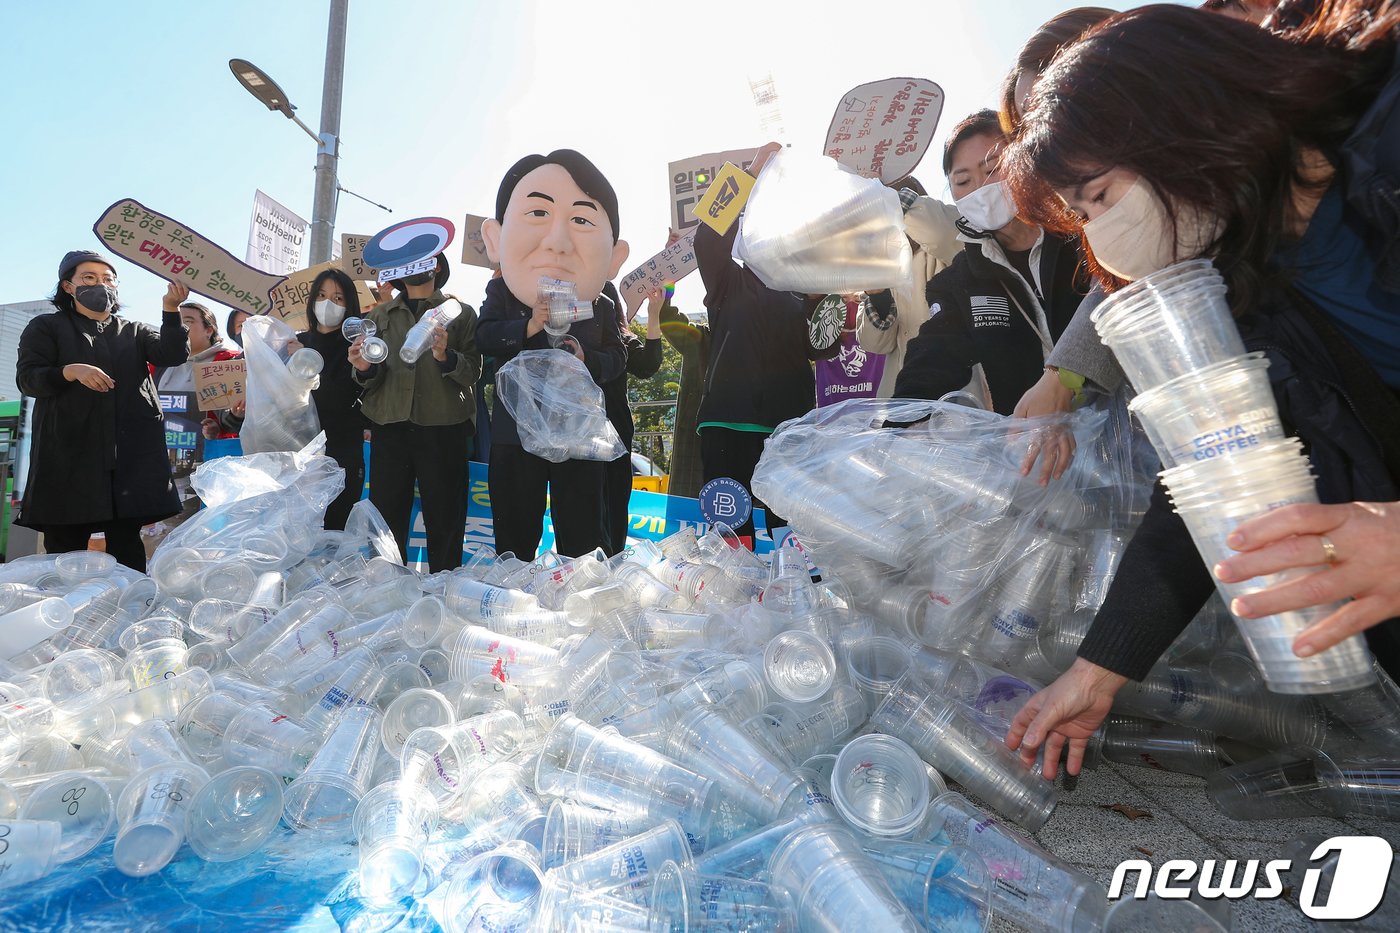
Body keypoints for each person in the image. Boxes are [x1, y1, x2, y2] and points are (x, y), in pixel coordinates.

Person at [997, 2, 1400, 776]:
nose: (1100, 241)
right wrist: (1099, 669)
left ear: (1178, 123)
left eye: (1101, 198)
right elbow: (1212, 484)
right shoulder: (1244, 285)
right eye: (1080, 220)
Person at [478, 149, 630, 560]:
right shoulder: (504, 293)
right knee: (514, 535)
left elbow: (618, 358)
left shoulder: (600, 303)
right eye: (537, 214)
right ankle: (514, 611)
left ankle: (581, 610)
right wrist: (528, 326)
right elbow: (484, 337)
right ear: (496, 238)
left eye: (581, 220)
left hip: (579, 434)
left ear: (614, 255)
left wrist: (586, 358)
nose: (558, 241)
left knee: (583, 537)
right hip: (516, 434)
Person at [893, 110, 1087, 419]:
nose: (981, 188)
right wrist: (899, 420)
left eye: (993, 168)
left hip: (1130, 424)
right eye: (963, 180)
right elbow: (934, 354)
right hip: (1034, 450)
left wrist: (1066, 376)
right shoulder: (960, 279)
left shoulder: (1082, 236)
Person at [695, 141, 834, 547]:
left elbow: (822, 348)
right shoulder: (728, 281)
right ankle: (736, 601)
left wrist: (824, 300)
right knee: (732, 536)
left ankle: (793, 601)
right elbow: (706, 238)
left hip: (787, 427)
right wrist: (749, 173)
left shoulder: (807, 287)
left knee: (791, 533)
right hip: (726, 422)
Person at [16, 251, 189, 571]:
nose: (101, 284)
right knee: (65, 548)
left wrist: (170, 310)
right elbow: (29, 379)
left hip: (128, 456)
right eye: (89, 278)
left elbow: (173, 353)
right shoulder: (46, 327)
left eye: (109, 279)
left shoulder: (135, 330)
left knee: (127, 546)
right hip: (69, 454)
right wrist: (69, 371)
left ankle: (134, 609)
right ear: (68, 286)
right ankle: (62, 614)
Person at [349, 252, 480, 572]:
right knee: (387, 518)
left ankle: (445, 589)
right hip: (389, 425)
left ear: (436, 266)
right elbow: (370, 379)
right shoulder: (380, 316)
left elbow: (473, 372)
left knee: (446, 516)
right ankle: (389, 589)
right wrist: (363, 368)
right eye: (409, 261)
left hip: (444, 425)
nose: (417, 266)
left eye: (425, 259)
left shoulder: (460, 313)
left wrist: (445, 356)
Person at [855, 175, 966, 397]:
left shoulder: (946, 242)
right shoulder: (881, 262)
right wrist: (878, 296)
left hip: (952, 392)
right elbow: (875, 345)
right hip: (898, 397)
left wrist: (884, 197)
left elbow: (942, 231)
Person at [293, 269, 368, 531]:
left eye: (338, 298)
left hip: (341, 451)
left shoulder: (357, 347)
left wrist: (307, 364)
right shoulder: (296, 342)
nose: (328, 304)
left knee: (336, 531)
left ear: (350, 306)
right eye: (322, 295)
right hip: (297, 453)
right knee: (297, 531)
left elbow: (342, 398)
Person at [600, 281, 664, 555]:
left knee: (614, 503)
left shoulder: (621, 338)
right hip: (576, 436)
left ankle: (613, 562)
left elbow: (648, 364)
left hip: (615, 433)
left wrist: (654, 314)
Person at [659, 288, 710, 500]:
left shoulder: (755, 339)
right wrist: (668, 281)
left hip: (736, 431)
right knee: (688, 498)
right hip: (696, 429)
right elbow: (667, 316)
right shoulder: (699, 338)